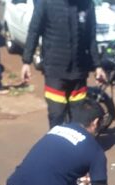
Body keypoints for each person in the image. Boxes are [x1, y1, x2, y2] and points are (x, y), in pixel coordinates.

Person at [21, 0, 107, 129]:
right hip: (55, 71)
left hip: (79, 72)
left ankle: (74, 147)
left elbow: (91, 37)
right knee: (57, 115)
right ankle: (57, 146)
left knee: (79, 118)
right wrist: (26, 62)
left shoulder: (87, 4)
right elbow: (34, 30)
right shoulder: (47, 3)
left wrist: (97, 66)